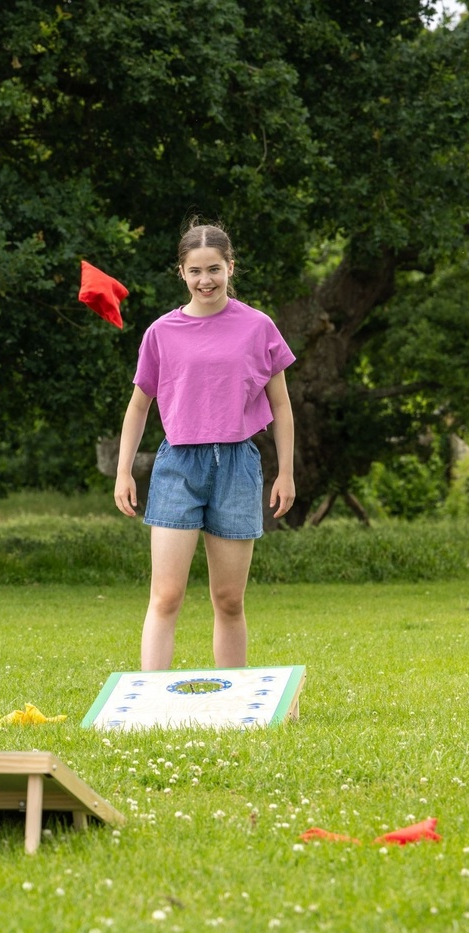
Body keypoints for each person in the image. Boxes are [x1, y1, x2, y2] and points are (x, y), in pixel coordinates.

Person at [114, 221, 294, 671]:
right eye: (195, 271)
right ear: (181, 273)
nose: (206, 280)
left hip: (238, 465)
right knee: (166, 594)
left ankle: (232, 699)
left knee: (229, 600)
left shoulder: (259, 327)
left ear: (231, 267)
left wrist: (286, 472)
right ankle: (152, 699)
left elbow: (282, 407)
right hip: (179, 466)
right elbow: (138, 407)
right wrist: (123, 472)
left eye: (214, 269)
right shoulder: (161, 332)